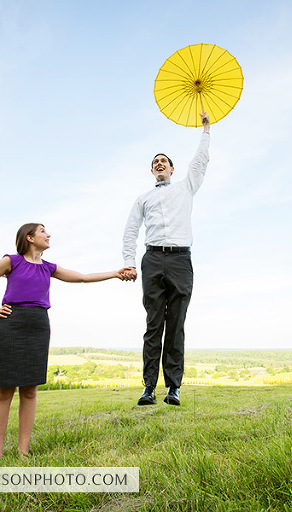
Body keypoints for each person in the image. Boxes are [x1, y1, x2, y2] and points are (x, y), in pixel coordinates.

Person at [0, 223, 131, 458]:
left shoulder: (48, 268)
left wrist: (116, 273)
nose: (48, 235)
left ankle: (22, 451)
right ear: (30, 237)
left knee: (30, 391)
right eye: (43, 231)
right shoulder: (11, 261)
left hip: (38, 325)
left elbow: (83, 278)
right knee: (4, 391)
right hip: (12, 324)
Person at [122, 111, 211, 406]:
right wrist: (130, 262)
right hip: (152, 259)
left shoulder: (186, 188)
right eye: (154, 163)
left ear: (172, 169)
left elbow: (199, 163)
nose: (159, 164)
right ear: (152, 171)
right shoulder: (143, 198)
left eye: (164, 161)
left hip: (181, 260)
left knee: (176, 324)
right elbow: (131, 230)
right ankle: (149, 387)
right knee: (153, 324)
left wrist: (206, 130)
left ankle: (174, 387)